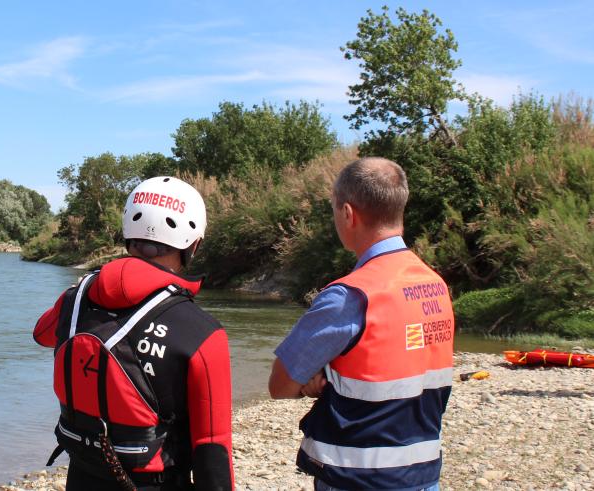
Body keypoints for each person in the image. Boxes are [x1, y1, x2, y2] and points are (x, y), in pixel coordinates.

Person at [34, 176, 233, 490]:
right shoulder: (203, 332)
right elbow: (212, 446)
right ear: (193, 244)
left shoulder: (76, 298)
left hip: (83, 475)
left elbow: (43, 335)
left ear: (128, 232)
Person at [268, 157, 454, 491]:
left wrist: (316, 379)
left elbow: (280, 384)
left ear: (348, 214)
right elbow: (395, 363)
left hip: (359, 478)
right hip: (423, 474)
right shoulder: (435, 285)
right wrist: (331, 376)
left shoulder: (349, 297)